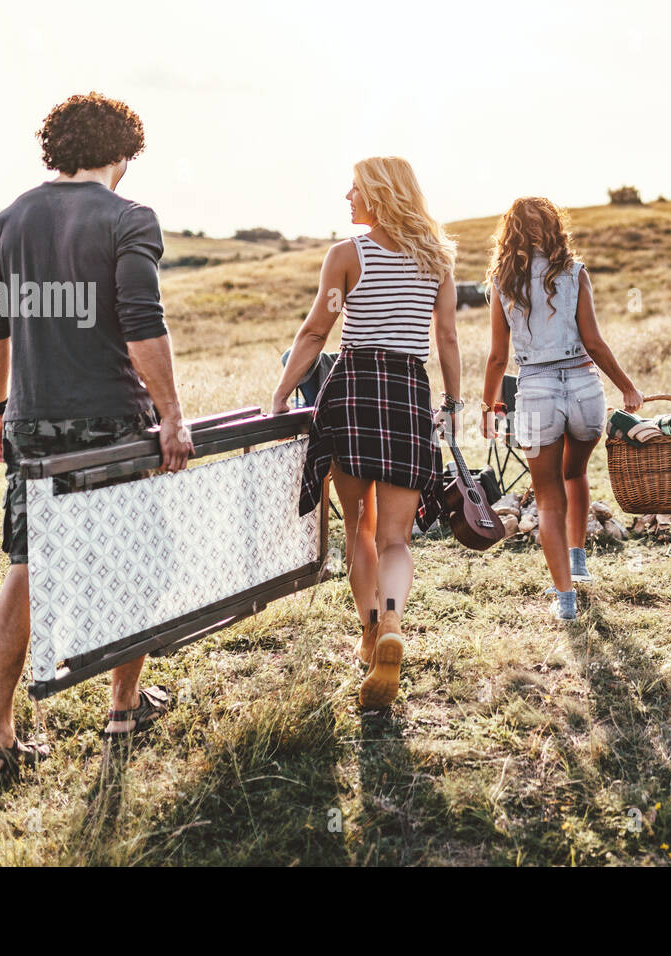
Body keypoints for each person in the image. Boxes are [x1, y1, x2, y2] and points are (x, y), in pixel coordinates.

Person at [0, 92, 194, 790]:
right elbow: (141, 323)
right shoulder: (128, 218)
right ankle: (123, 708)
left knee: (26, 569)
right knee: (135, 562)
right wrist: (173, 416)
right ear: (122, 153)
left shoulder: (7, 222)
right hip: (113, 422)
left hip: (34, 422)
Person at [272, 156, 460, 709]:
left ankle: (371, 629)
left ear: (377, 194)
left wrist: (282, 393)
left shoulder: (346, 256)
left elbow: (315, 331)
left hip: (354, 389)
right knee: (396, 538)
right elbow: (446, 338)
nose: (345, 197)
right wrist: (451, 401)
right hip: (407, 391)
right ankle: (395, 620)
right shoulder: (437, 259)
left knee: (358, 527)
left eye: (353, 189)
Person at [481, 198, 642, 619]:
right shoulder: (574, 272)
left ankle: (566, 601)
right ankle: (578, 559)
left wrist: (488, 405)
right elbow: (595, 342)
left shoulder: (503, 281)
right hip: (586, 388)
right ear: (554, 228)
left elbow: (498, 357)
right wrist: (627, 387)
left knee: (549, 499)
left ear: (510, 233)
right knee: (576, 473)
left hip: (536, 391)